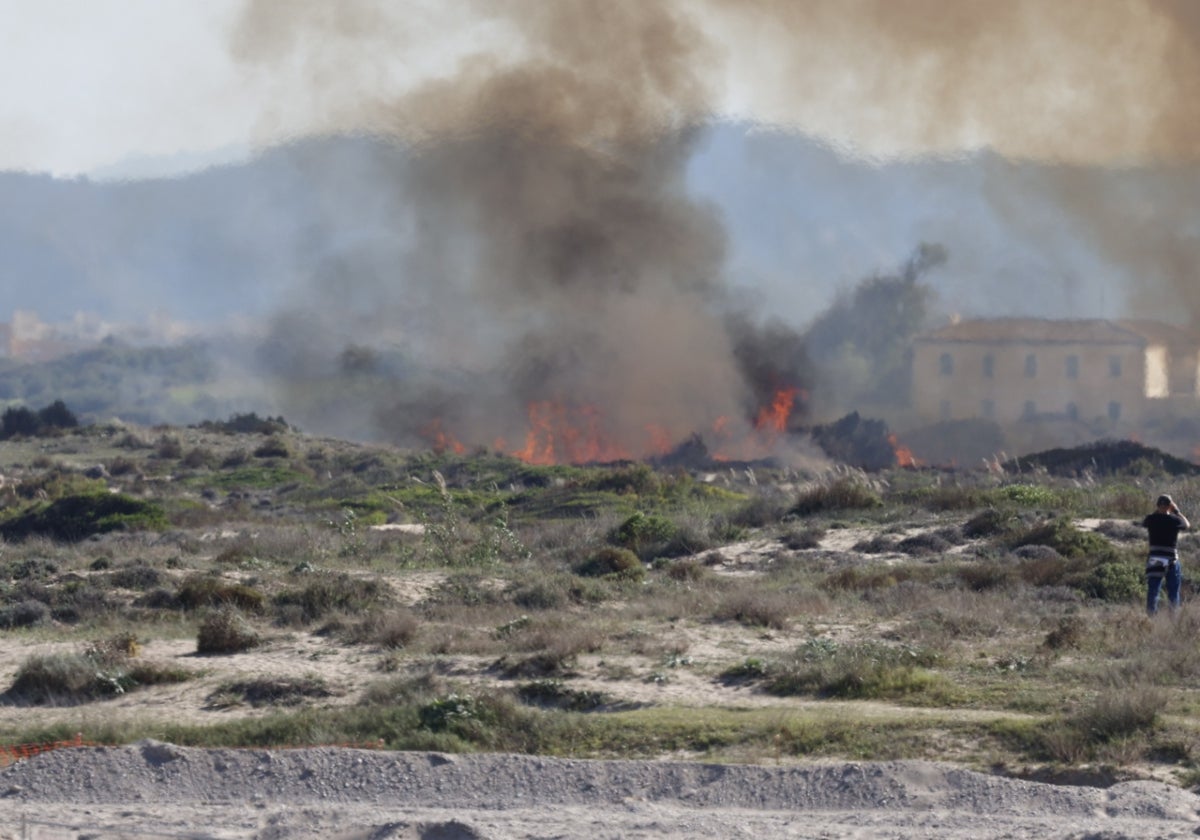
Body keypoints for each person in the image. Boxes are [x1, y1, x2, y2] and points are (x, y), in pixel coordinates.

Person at [1143, 494, 1190, 615]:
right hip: (1171, 559)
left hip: (1155, 558)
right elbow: (1187, 524)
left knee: (1153, 590)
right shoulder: (1174, 520)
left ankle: (1150, 618)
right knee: (1173, 591)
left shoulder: (1151, 519)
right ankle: (1172, 619)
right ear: (1170, 506)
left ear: (1158, 505)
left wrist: (1159, 510)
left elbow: (1146, 521)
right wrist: (1177, 511)